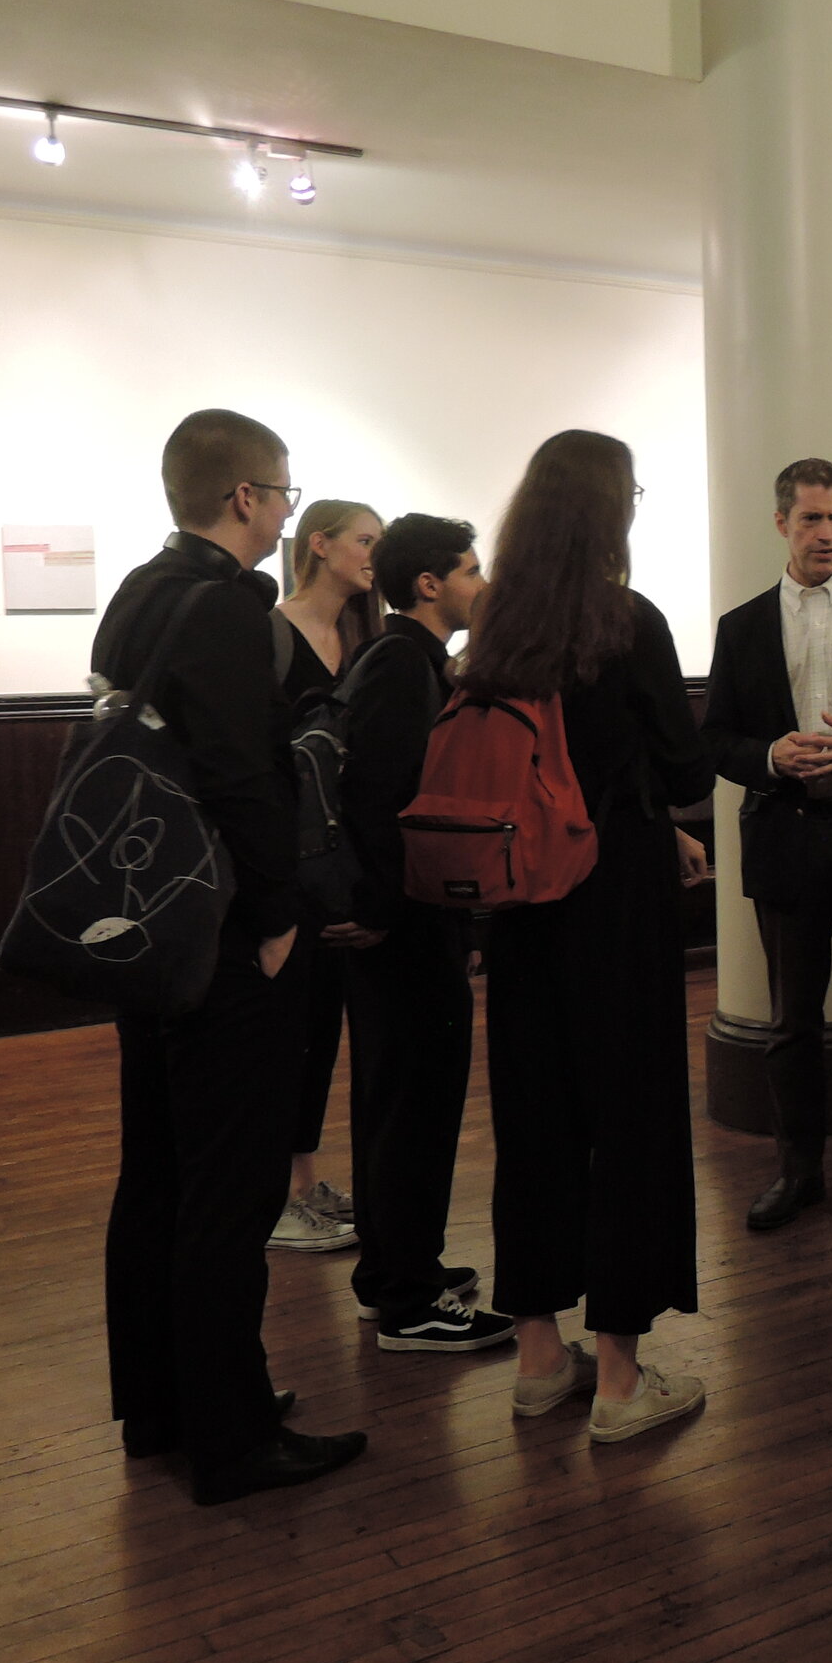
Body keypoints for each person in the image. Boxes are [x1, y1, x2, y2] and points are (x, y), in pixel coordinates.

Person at [98, 407, 367, 1505]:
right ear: (248, 498)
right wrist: (274, 917)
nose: (285, 512)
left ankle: (162, 1405)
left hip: (148, 925)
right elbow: (241, 779)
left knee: (158, 1172)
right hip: (218, 937)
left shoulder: (139, 593)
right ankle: (231, 1432)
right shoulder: (220, 607)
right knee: (229, 1187)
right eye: (285, 495)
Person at [471, 430, 718, 1443]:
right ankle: (618, 1379)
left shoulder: (491, 628)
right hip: (611, 901)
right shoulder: (628, 622)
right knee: (630, 1120)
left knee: (532, 1117)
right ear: (608, 512)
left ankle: (537, 1358)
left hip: (519, 902)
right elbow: (685, 767)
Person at [701, 459, 832, 1236]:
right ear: (781, 522)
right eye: (812, 519)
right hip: (787, 840)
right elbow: (716, 736)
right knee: (793, 1024)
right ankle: (800, 1171)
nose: (826, 533)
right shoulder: (744, 625)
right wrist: (768, 757)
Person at [333, 514, 505, 1352]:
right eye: (471, 569)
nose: (482, 582)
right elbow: (384, 798)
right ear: (429, 584)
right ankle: (407, 1298)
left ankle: (394, 1273)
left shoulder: (405, 659)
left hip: (402, 916)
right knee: (413, 1104)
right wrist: (381, 909)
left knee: (398, 1099)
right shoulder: (403, 665)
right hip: (401, 923)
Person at [268, 498, 384, 1254]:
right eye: (365, 540)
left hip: (350, 860)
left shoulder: (368, 636)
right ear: (321, 544)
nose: (376, 552)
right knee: (289, 1028)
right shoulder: (270, 633)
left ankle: (305, 1180)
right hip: (287, 859)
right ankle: (282, 1189)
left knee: (326, 1027)